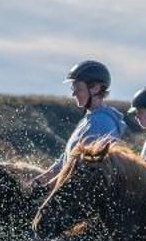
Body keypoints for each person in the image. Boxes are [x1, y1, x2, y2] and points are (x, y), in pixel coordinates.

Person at [37, 58, 125, 188]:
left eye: (78, 88)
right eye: (73, 88)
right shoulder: (88, 119)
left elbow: (81, 168)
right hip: (67, 190)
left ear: (95, 88)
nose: (73, 93)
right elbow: (64, 161)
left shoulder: (101, 122)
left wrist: (48, 187)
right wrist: (38, 181)